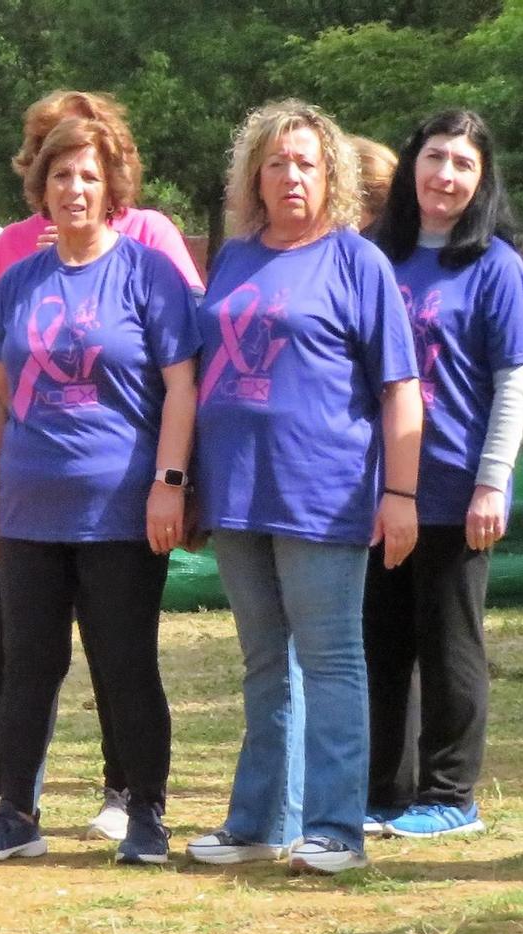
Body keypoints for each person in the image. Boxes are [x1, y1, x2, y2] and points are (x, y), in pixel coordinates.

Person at [0, 89, 207, 846]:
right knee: (27, 664)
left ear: (113, 186)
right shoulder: (17, 283)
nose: (75, 190)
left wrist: (170, 483)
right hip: (30, 507)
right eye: (61, 175)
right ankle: (16, 816)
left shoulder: (148, 273)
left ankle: (146, 811)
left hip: (122, 508)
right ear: (42, 187)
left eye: (89, 176)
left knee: (125, 665)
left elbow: (183, 386)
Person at [185, 99, 422, 875]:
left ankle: (334, 829)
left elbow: (400, 387)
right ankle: (257, 822)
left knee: (331, 660)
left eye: (307, 163)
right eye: (277, 162)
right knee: (263, 662)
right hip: (237, 492)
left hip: (324, 492)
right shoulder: (235, 257)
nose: (292, 176)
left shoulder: (359, 262)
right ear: (255, 174)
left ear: (333, 176)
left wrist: (402, 494)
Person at [364, 110, 523, 840]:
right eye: (435, 157)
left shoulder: (495, 265)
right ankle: (384, 789)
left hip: (454, 487)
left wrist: (492, 480)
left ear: (482, 179)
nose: (445, 175)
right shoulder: (373, 254)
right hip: (371, 493)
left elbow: (515, 382)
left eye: (463, 164)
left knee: (449, 645)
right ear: (411, 166)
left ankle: (449, 793)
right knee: (379, 645)